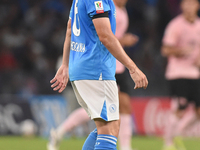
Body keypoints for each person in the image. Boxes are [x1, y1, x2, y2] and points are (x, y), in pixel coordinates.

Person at [48, 0, 148, 150]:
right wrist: (133, 68)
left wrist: (65, 64)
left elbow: (70, 29)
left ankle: (60, 132)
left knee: (105, 126)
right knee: (110, 128)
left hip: (82, 68)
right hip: (96, 69)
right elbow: (105, 36)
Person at [161, 0, 200, 150]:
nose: (189, 7)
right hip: (178, 73)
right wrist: (181, 51)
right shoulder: (175, 25)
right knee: (181, 108)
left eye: (192, 4)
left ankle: (179, 133)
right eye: (186, 4)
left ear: (197, 6)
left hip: (195, 74)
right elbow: (165, 50)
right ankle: (168, 143)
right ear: (182, 6)